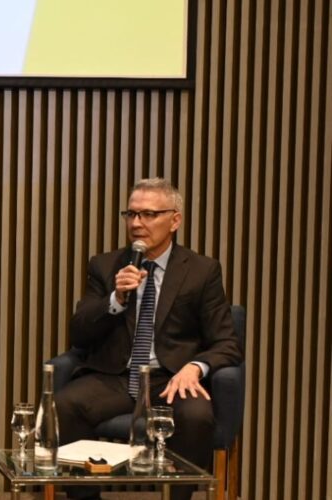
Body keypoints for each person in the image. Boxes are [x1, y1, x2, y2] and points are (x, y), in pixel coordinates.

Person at [57, 178, 243, 500]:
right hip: (116, 377)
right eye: (131, 214)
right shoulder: (105, 266)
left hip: (171, 378)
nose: (136, 223)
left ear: (175, 220)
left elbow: (227, 342)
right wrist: (115, 299)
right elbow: (79, 334)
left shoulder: (202, 270)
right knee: (64, 406)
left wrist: (196, 367)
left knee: (197, 416)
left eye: (148, 214)